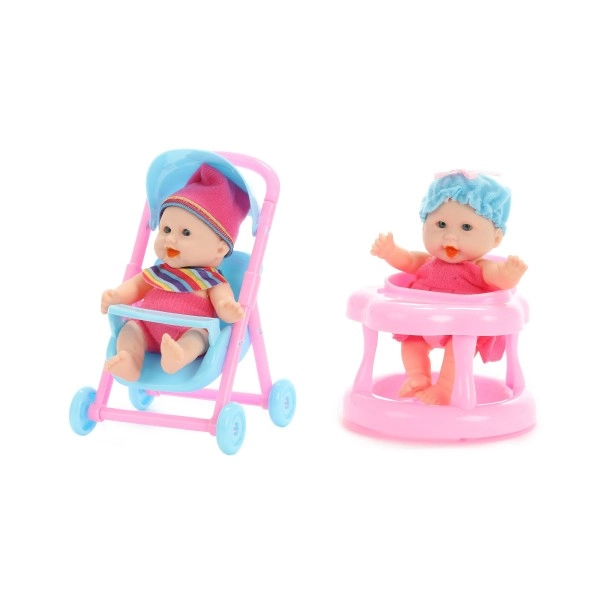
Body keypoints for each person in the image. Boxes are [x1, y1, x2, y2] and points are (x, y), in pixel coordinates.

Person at [371, 169, 527, 405]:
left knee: (458, 354)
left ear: (496, 238)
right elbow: (408, 261)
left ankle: (445, 389)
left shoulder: (480, 267)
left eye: (466, 228)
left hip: (462, 330)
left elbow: (498, 279)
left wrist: (509, 274)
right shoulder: (427, 261)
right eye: (441, 224)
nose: (450, 237)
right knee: (412, 344)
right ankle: (418, 376)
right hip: (421, 323)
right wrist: (391, 252)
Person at [101, 162, 250, 382]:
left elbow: (222, 303)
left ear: (219, 249)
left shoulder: (213, 280)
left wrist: (227, 309)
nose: (170, 239)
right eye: (166, 229)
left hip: (189, 329)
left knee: (197, 339)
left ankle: (178, 357)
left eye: (185, 233)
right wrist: (117, 296)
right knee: (130, 329)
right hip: (147, 328)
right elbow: (136, 287)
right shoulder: (158, 272)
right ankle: (130, 360)